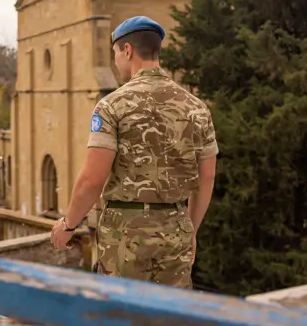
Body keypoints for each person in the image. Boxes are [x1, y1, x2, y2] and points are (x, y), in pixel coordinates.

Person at [50, 16, 218, 289]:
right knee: (169, 317)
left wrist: (68, 225)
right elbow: (207, 177)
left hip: (125, 238)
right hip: (177, 233)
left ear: (126, 50)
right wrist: (190, 229)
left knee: (122, 315)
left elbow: (92, 180)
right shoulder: (196, 107)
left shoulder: (112, 106)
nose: (116, 63)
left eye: (115, 54)